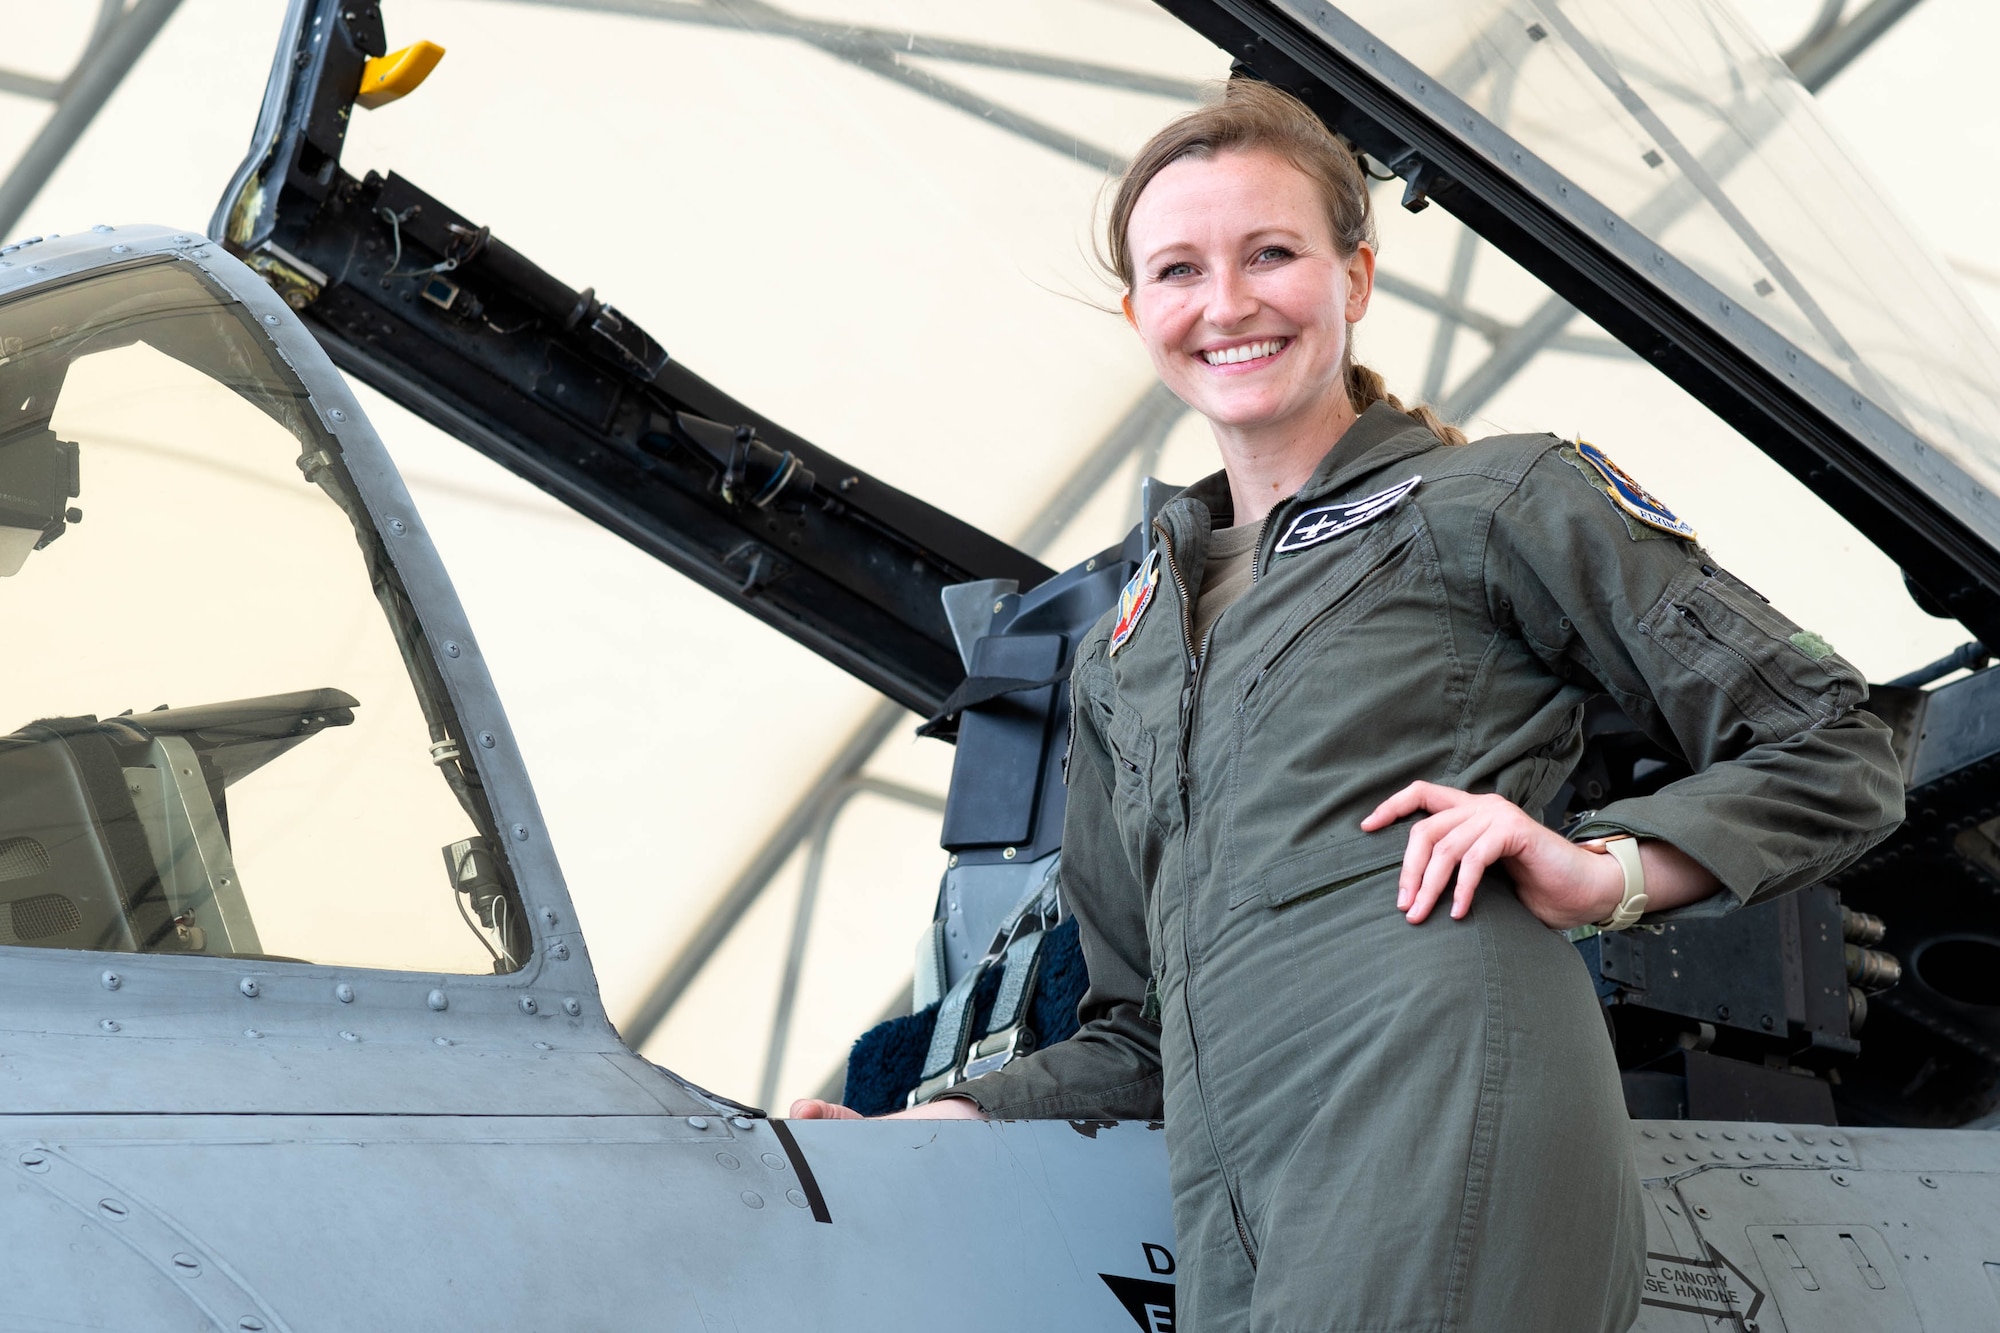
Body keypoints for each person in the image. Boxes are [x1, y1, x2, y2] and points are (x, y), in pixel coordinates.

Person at [794, 79, 1905, 1332]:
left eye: (1271, 254)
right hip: (1235, 1191)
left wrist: (1608, 872)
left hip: (1439, 1095)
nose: (1226, 303)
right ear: (1136, 310)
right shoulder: (1122, 652)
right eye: (1178, 270)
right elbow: (1139, 1031)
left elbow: (1832, 741)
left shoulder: (1496, 501)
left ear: (1355, 276)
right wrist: (945, 1118)